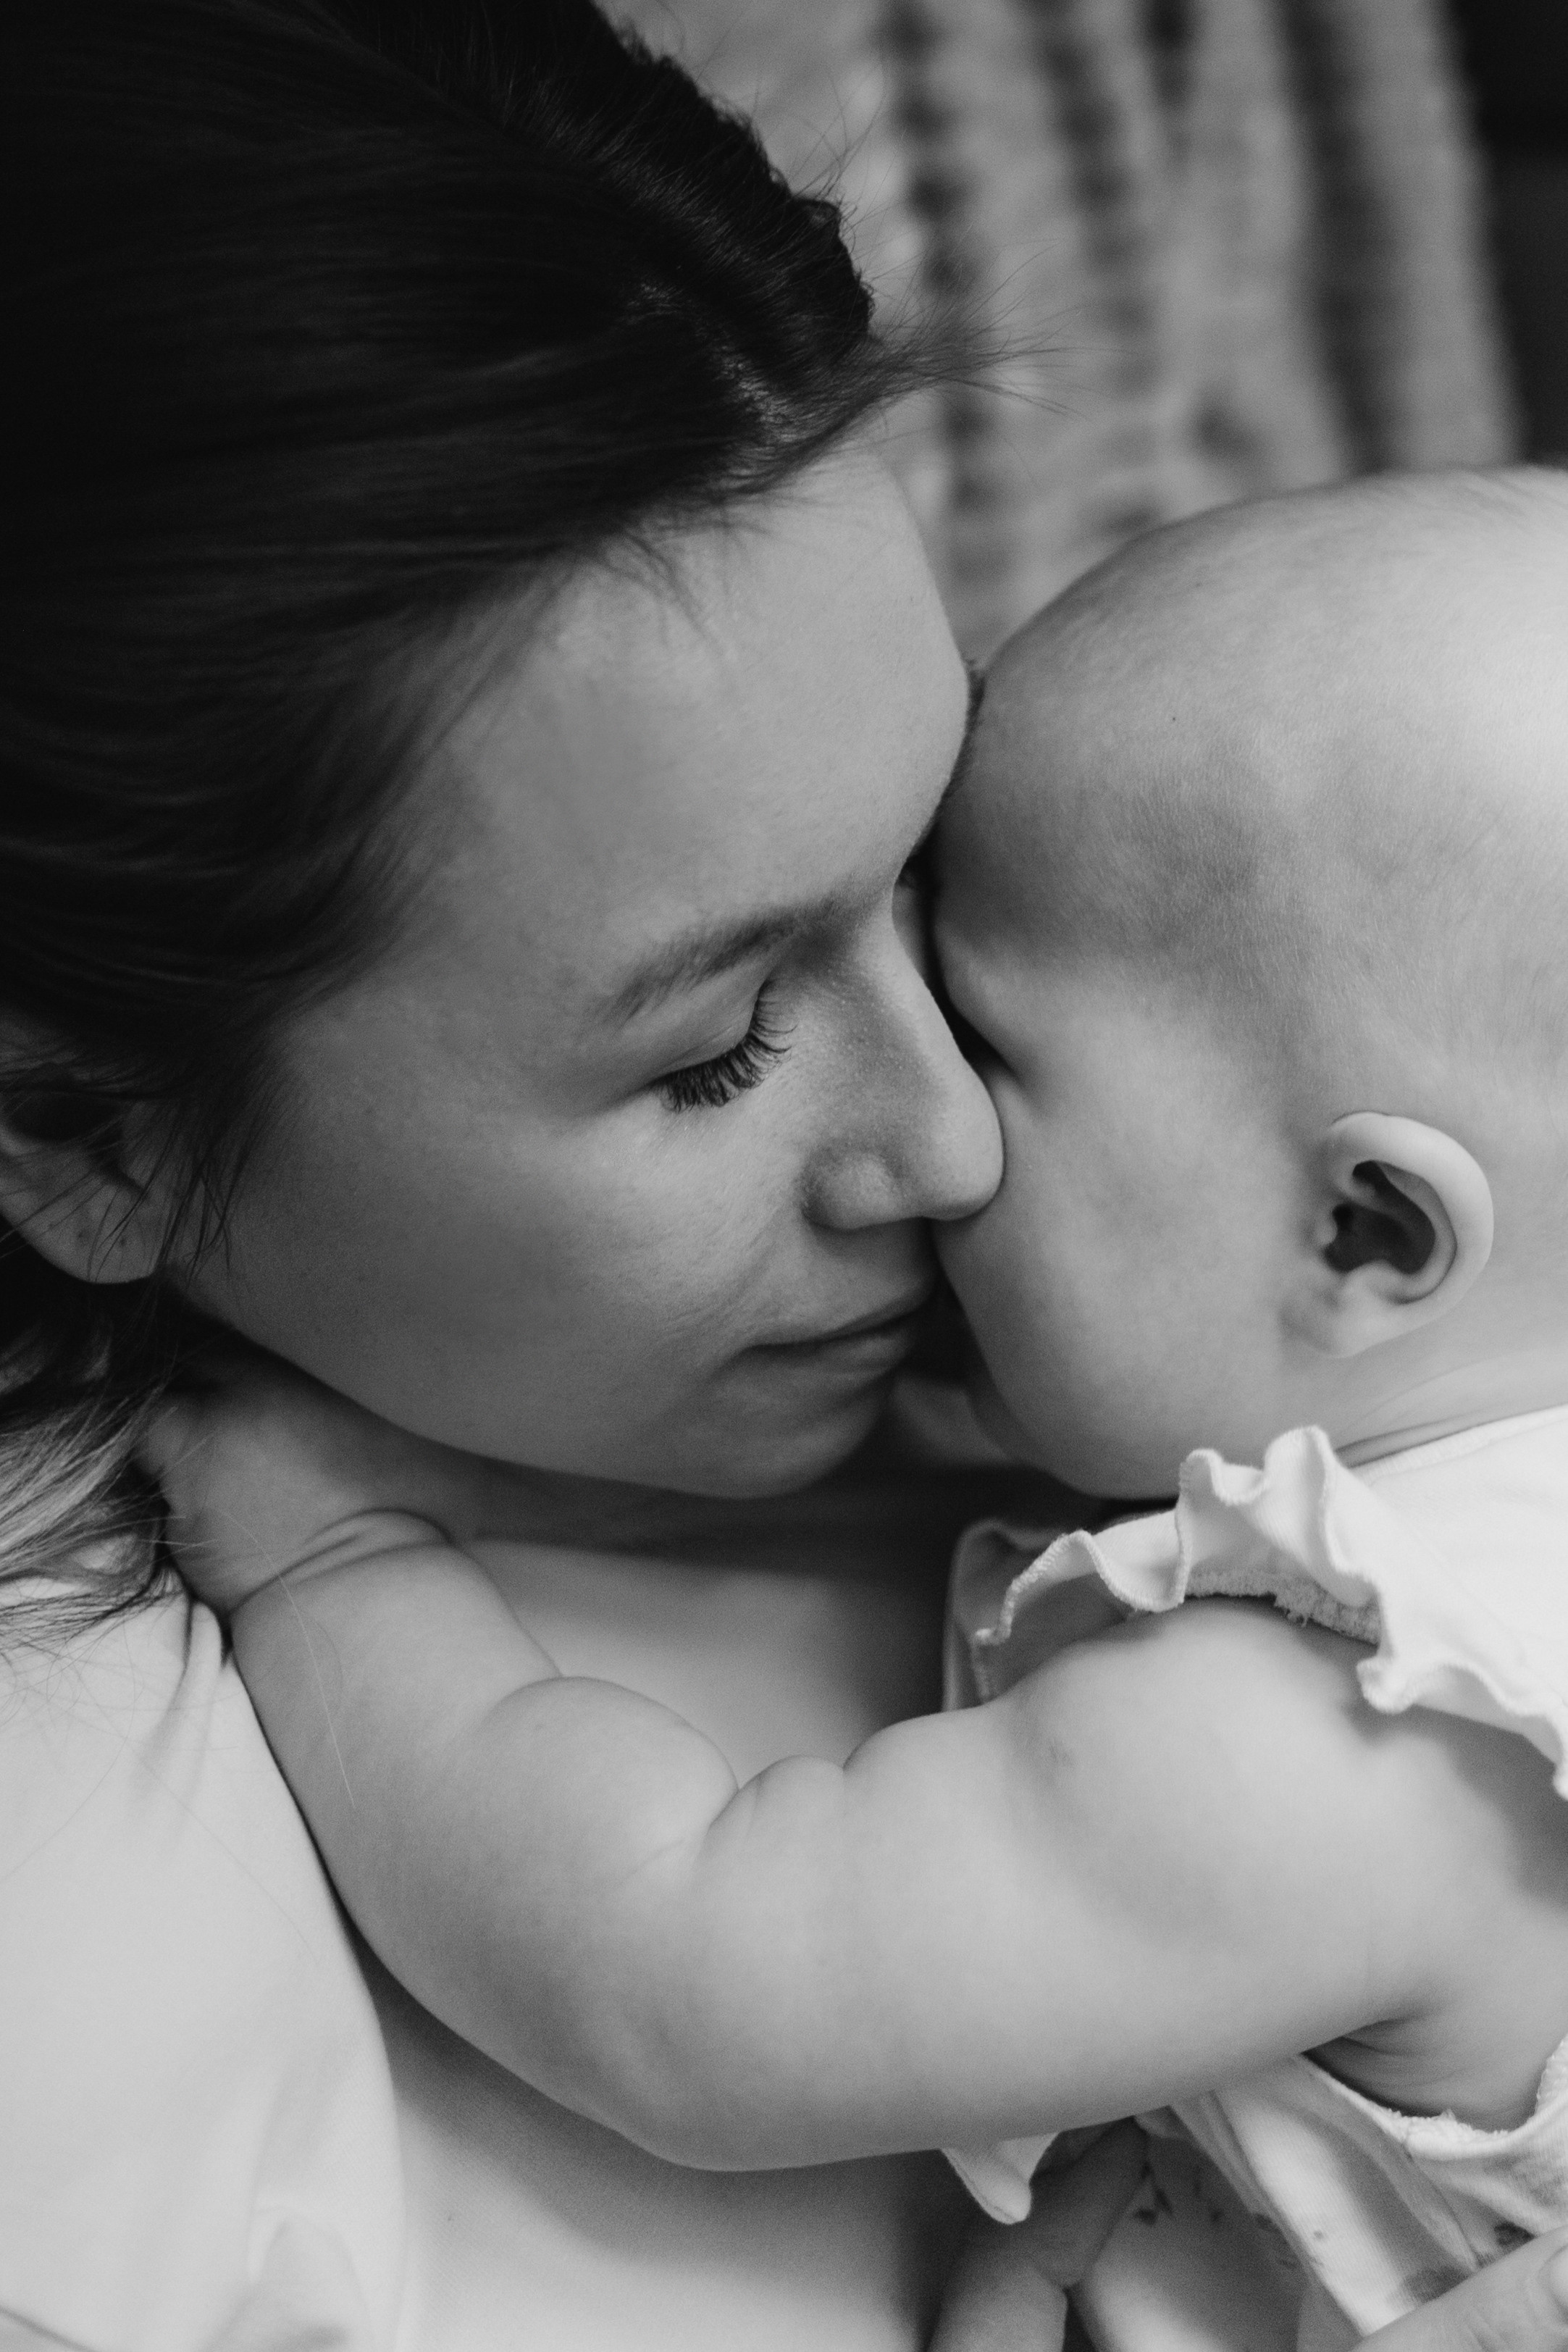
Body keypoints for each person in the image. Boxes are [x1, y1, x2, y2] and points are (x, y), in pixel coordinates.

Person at [0, 1, 1559, 2345]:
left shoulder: (1327, 1672)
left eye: (925, 882)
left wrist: (332, 1565)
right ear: (79, 1132)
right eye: (725, 1044)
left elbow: (692, 1987)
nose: (946, 1142)